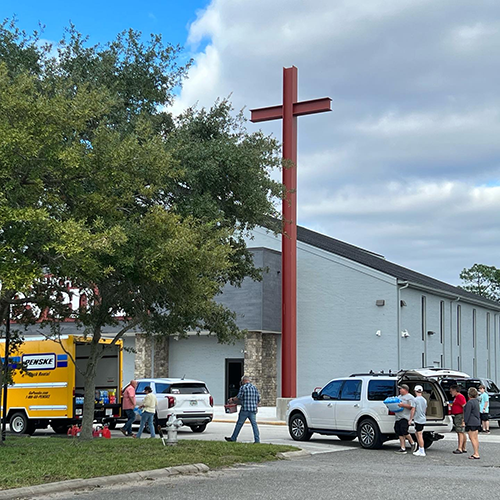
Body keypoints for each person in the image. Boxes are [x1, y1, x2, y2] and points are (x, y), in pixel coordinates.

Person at [225, 375, 260, 443]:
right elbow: (258, 399)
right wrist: (256, 406)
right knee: (254, 425)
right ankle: (257, 440)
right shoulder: (254, 388)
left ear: (243, 381)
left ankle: (233, 438)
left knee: (239, 424)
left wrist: (231, 400)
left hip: (245, 409)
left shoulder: (243, 387)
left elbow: (239, 397)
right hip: (253, 410)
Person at [394, 384, 417, 454]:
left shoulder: (410, 397)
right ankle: (402, 448)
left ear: (405, 390)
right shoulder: (399, 397)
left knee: (404, 430)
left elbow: (412, 407)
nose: (400, 390)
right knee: (398, 431)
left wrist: (403, 405)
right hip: (398, 417)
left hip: (405, 417)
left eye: (401, 389)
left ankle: (412, 442)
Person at [464, 387, 481, 459]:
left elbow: (467, 413)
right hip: (477, 421)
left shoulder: (469, 403)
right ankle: (476, 452)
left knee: (472, 438)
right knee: (476, 438)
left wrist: (465, 421)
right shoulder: (477, 402)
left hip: (471, 422)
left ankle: (476, 453)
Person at [449, 384, 467, 454]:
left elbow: (464, 407)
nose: (450, 393)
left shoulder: (460, 397)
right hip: (458, 415)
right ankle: (463, 447)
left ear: (455, 390)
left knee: (460, 432)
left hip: (460, 415)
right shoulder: (457, 397)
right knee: (462, 432)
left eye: (451, 391)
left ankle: (460, 448)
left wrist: (463, 419)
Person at [411, 385, 427, 457]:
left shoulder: (415, 400)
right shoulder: (424, 400)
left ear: (415, 391)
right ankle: (420, 449)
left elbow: (413, 409)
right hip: (423, 418)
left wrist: (410, 418)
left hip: (418, 419)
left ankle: (422, 450)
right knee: (417, 433)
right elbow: (425, 410)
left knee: (419, 434)